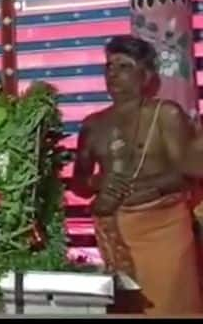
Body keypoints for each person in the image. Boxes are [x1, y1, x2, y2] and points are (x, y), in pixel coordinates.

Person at [71, 35, 202, 315]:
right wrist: (98, 182)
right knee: (126, 308)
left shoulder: (165, 114)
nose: (113, 73)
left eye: (124, 66)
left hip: (163, 231)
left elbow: (189, 173)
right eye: (109, 66)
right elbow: (78, 183)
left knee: (171, 306)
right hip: (116, 232)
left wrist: (144, 188)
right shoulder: (93, 125)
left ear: (147, 76)